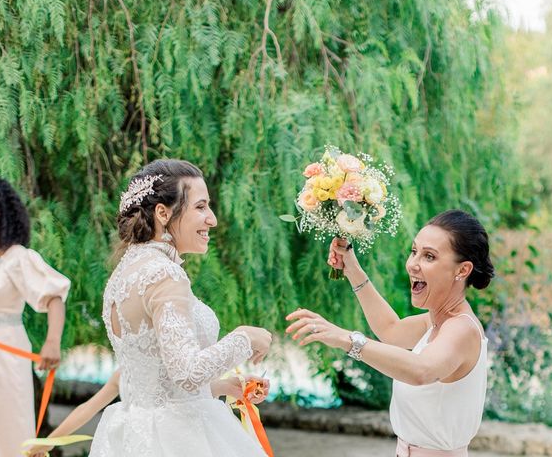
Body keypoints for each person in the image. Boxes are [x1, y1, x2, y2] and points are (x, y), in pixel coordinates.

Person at [28, 159, 272, 457]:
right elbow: (187, 372)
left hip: (136, 434)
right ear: (162, 213)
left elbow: (159, 385)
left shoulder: (123, 275)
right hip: (179, 440)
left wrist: (223, 387)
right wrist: (246, 337)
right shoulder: (165, 275)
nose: (212, 219)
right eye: (200, 206)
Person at [286, 209, 493, 457]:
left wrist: (346, 339)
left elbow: (421, 370)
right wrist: (352, 268)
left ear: (462, 270)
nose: (413, 264)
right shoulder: (436, 322)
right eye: (414, 251)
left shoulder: (461, 328)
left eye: (429, 257)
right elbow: (390, 330)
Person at [0, 177, 69, 457]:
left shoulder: (17, 258)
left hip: (6, 355)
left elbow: (54, 297)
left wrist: (52, 342)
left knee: (8, 431)